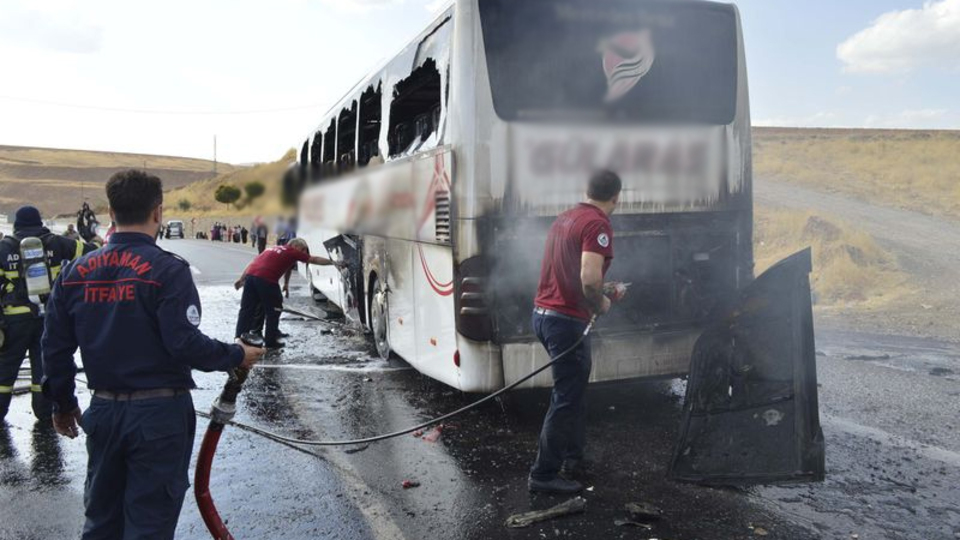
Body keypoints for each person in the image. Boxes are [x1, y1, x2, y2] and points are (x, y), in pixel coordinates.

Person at [41, 170, 265, 539]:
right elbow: (184, 344)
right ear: (158, 212)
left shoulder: (75, 273)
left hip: (104, 413)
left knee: (100, 523)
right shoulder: (167, 270)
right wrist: (236, 354)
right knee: (149, 526)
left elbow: (55, 348)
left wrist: (62, 404)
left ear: (111, 212)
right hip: (159, 418)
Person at [527, 170, 625, 494]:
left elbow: (569, 272)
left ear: (587, 190)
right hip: (565, 322)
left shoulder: (566, 217)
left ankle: (573, 457)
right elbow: (587, 279)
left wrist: (603, 289)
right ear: (616, 197)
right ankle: (543, 474)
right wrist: (601, 302)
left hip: (544, 315)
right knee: (567, 397)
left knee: (574, 389)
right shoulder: (597, 224)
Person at [0, 206, 98, 421]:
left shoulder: (4, 248)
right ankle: (45, 415)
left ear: (17, 225)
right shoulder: (58, 243)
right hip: (48, 319)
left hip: (13, 321)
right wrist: (93, 235)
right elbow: (93, 253)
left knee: (5, 371)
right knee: (43, 369)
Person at [234, 238, 340, 348]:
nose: (303, 252)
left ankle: (239, 338)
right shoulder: (292, 252)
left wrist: (241, 279)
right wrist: (334, 263)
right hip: (267, 280)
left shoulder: (272, 249)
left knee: (246, 309)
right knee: (274, 310)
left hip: (251, 277)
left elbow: (254, 263)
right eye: (303, 249)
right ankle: (271, 341)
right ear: (295, 246)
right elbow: (314, 259)